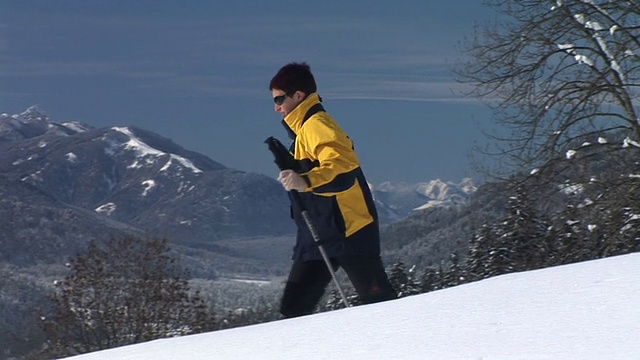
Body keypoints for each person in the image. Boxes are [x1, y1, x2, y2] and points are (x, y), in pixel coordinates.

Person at [269, 62, 397, 318]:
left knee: (380, 306)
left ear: (298, 95)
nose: (277, 107)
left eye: (280, 98)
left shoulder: (317, 124)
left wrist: (304, 180)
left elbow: (341, 169)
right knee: (293, 309)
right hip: (318, 234)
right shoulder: (302, 132)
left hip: (349, 230)